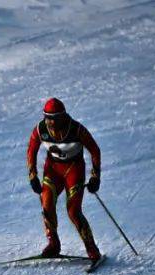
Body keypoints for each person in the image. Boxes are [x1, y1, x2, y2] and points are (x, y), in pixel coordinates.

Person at [26, 97, 102, 261]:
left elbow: (95, 150)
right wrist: (32, 175)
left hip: (73, 171)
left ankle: (91, 247)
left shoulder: (76, 129)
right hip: (53, 170)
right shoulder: (40, 129)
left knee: (73, 211)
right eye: (47, 118)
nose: (50, 123)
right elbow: (31, 150)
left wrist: (95, 176)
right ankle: (53, 243)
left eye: (54, 119)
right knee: (46, 203)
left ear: (63, 116)